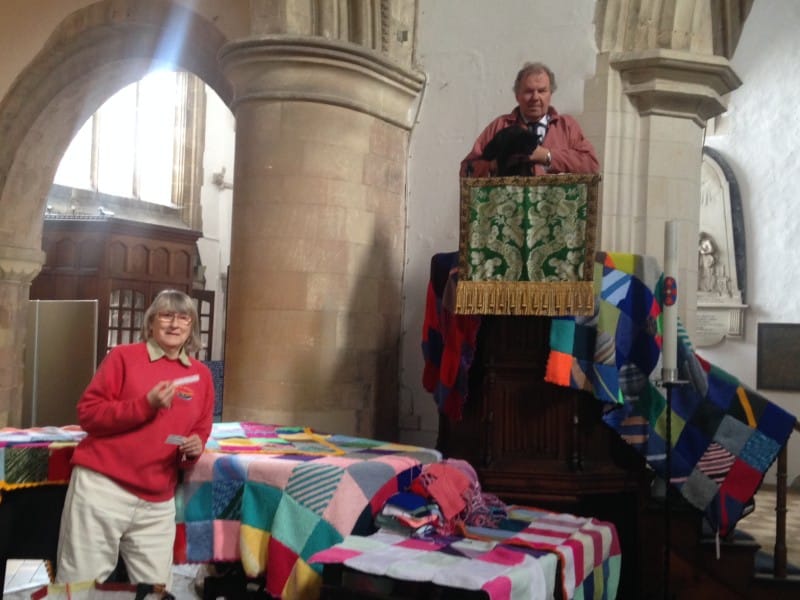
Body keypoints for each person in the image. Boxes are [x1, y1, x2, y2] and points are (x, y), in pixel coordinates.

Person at [56, 289, 215, 589]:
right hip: (102, 488)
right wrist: (145, 405)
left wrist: (194, 447)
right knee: (81, 586)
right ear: (152, 321)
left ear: (192, 326)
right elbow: (88, 415)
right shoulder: (123, 358)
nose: (174, 324)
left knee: (157, 590)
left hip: (157, 499)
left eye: (183, 318)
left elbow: (201, 429)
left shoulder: (201, 376)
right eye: (166, 315)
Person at [460, 62, 599, 177]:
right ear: (517, 95)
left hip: (552, 209)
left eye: (542, 91)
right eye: (528, 91)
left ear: (550, 94)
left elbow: (591, 165)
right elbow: (466, 170)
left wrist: (547, 156)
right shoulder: (500, 126)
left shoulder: (567, 126)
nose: (535, 98)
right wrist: (493, 165)